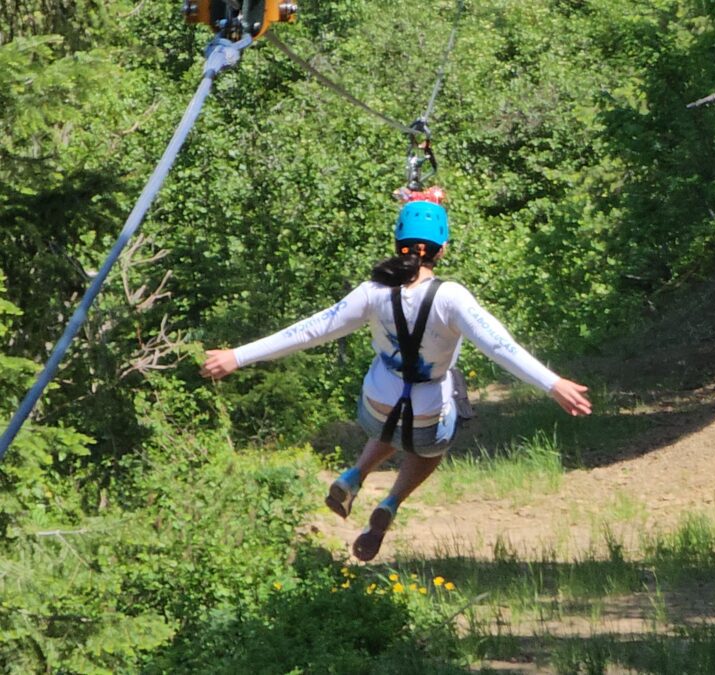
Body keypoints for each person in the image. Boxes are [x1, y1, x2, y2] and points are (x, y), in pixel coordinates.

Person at [200, 199, 592, 561]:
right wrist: (552, 383)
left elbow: (310, 330)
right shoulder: (451, 297)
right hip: (427, 414)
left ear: (397, 244)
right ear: (441, 250)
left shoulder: (373, 292)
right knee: (428, 444)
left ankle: (355, 475)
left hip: (376, 405)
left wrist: (237, 355)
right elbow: (500, 346)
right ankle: (390, 503)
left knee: (392, 423)